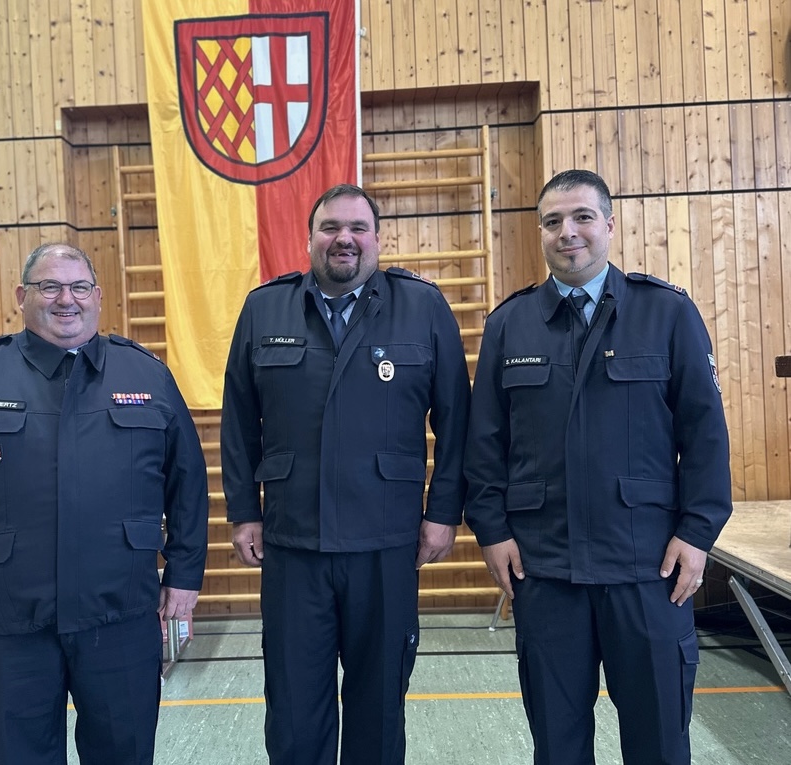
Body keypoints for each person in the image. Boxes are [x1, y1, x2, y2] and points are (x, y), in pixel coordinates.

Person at [464, 169, 732, 764]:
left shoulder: (666, 313)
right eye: (553, 221)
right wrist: (493, 530)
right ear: (540, 233)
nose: (569, 233)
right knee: (557, 745)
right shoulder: (510, 324)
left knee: (659, 739)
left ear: (609, 225)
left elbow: (705, 433)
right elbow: (484, 444)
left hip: (647, 566)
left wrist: (698, 532)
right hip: (545, 569)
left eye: (583, 217)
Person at [0, 242, 209, 764]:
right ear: (23, 297)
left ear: (97, 296)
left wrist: (184, 574)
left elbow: (188, 483)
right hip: (11, 619)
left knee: (124, 751)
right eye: (50, 287)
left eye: (78, 287)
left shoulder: (145, 376)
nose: (65, 299)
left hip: (119, 614)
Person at [220, 184, 471, 764]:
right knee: (292, 706)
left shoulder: (423, 306)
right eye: (330, 227)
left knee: (380, 704)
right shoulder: (265, 308)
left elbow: (458, 421)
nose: (344, 239)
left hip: (386, 541)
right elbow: (238, 419)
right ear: (309, 239)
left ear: (377, 239)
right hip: (293, 541)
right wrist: (242, 510)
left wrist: (442, 514)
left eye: (358, 228)